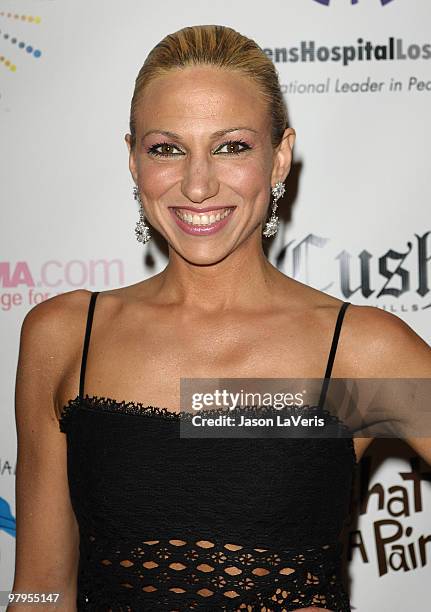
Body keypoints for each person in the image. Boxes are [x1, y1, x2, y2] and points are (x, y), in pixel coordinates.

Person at [10, 24, 431, 612]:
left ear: (279, 156)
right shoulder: (65, 336)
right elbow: (41, 589)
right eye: (167, 148)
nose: (198, 184)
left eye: (231, 146)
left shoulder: (356, 352)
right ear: (133, 158)